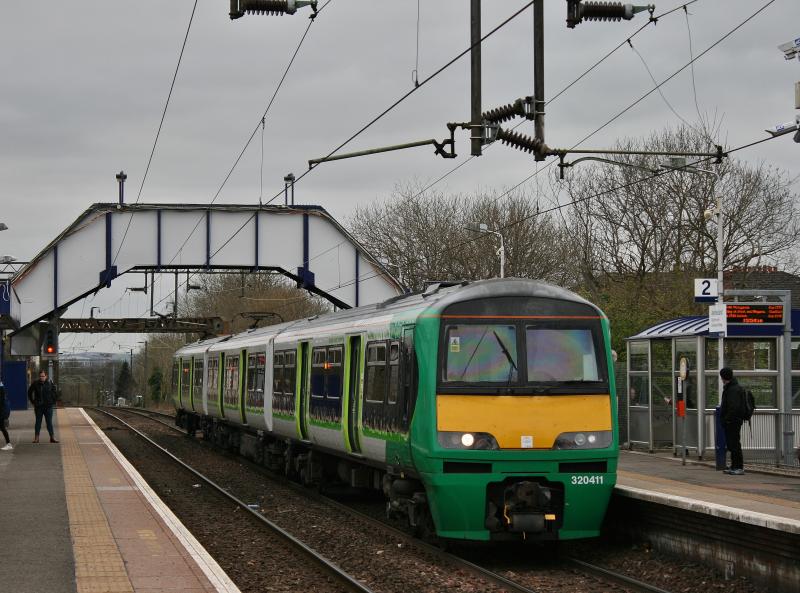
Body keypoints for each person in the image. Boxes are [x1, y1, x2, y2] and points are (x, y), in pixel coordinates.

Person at [719, 367, 746, 475]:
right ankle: (734, 466)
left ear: (724, 377)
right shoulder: (732, 387)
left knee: (734, 445)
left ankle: (738, 467)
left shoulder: (732, 389)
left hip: (732, 421)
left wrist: (726, 419)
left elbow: (733, 407)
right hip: (732, 421)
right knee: (732, 444)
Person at [27, 369, 59, 444]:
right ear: (39, 376)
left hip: (48, 407)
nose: (42, 377)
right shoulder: (35, 383)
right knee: (38, 422)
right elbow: (29, 392)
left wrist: (52, 402)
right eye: (40, 376)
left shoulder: (50, 383)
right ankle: (36, 438)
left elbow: (55, 393)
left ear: (46, 376)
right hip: (39, 407)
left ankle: (52, 437)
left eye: (43, 376)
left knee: (49, 423)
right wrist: (33, 401)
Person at [0, 381, 12, 450]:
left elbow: (1, 402)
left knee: (2, 428)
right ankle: (8, 444)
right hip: (2, 411)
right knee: (2, 428)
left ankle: (9, 444)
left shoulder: (1, 388)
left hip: (2, 412)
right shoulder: (1, 387)